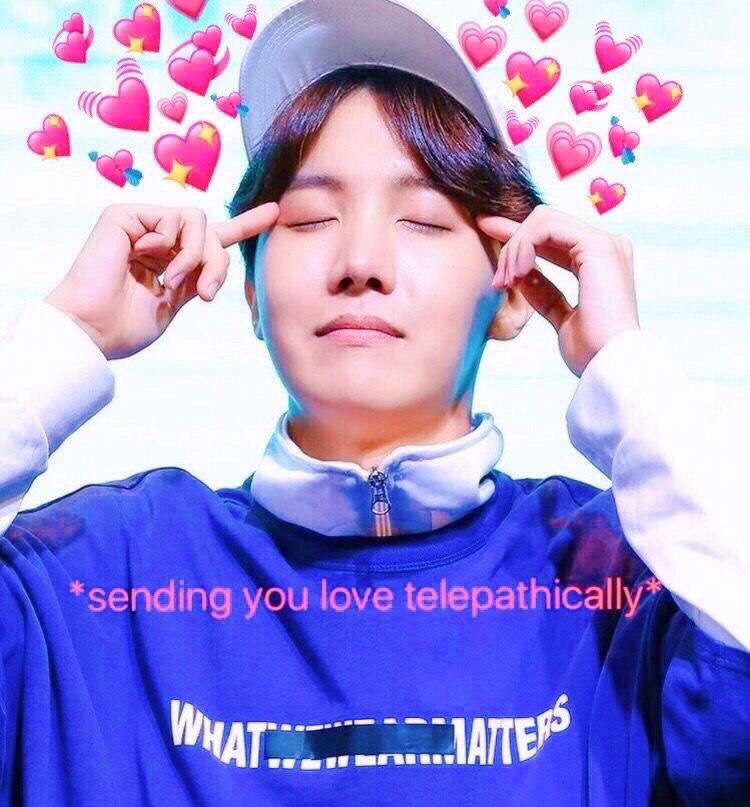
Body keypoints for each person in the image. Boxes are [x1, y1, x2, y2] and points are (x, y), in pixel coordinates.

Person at [1, 0, 748, 803]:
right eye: (311, 217)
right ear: (249, 293)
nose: (361, 261)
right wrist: (68, 334)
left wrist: (622, 365)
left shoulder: (623, 582)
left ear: (514, 291)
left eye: (422, 220)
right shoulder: (92, 577)